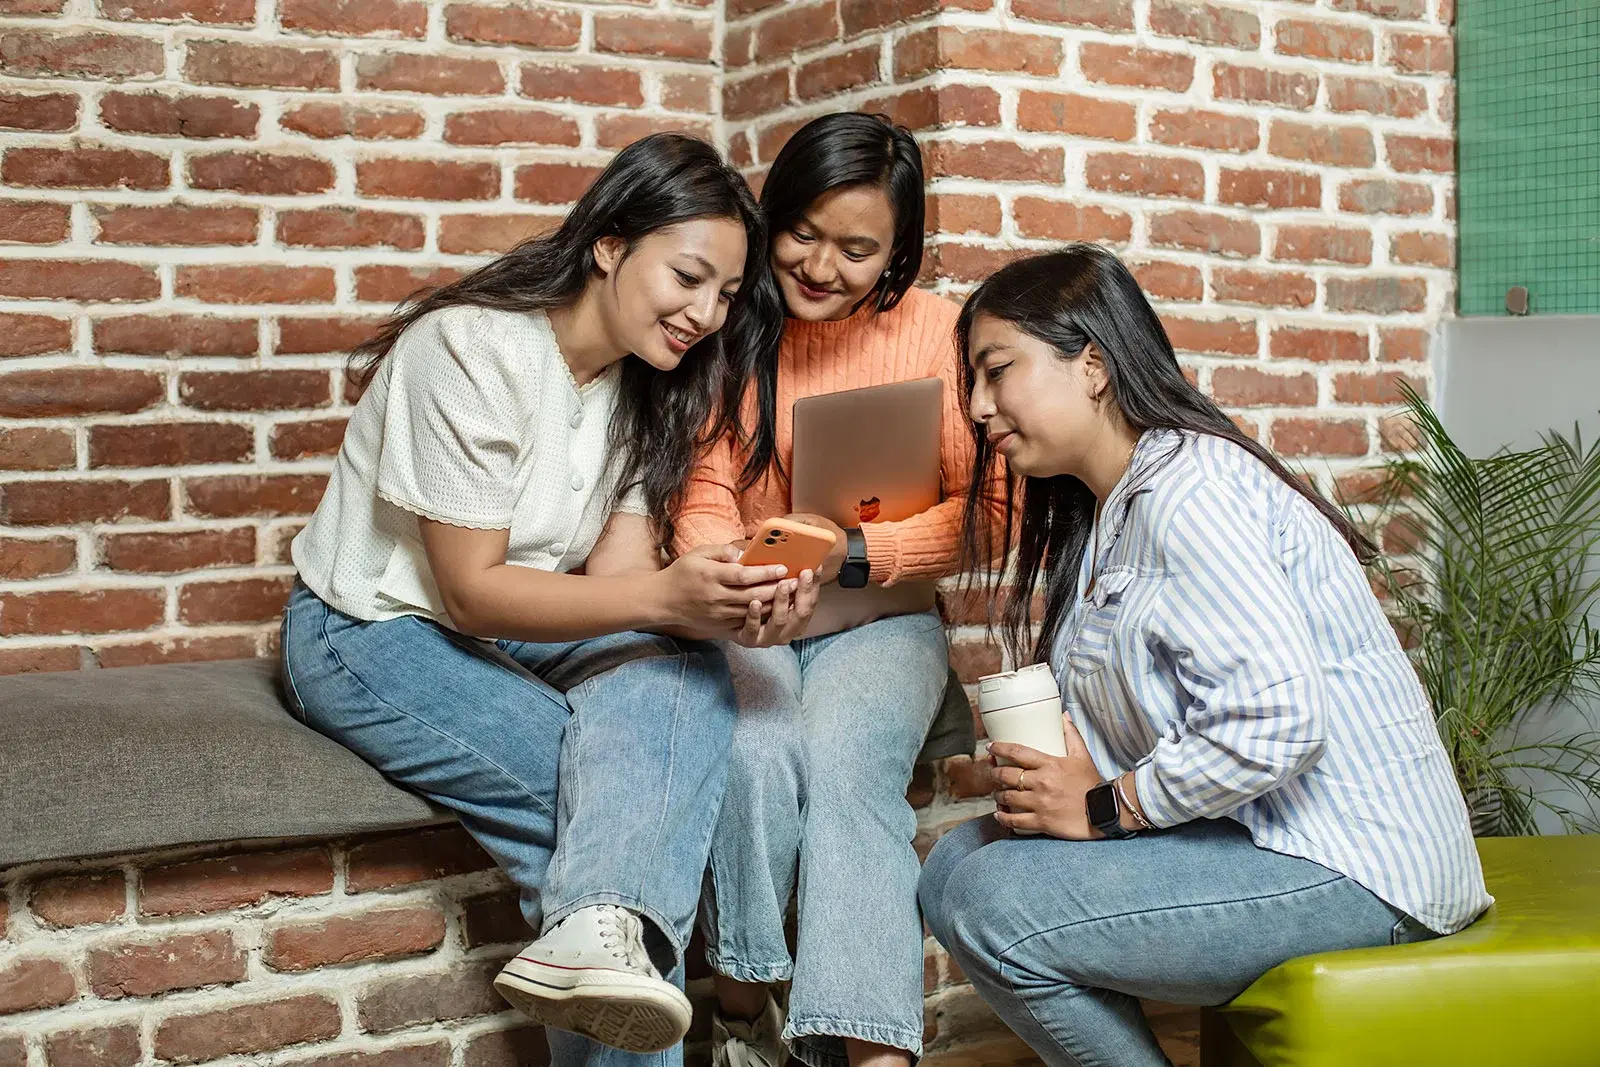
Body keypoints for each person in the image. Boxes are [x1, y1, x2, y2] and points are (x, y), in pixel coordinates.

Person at [278, 134, 808, 1066]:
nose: (704, 314)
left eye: (725, 295)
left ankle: (598, 942)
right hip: (370, 628)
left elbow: (619, 584)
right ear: (609, 243)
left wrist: (713, 601)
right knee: (602, 821)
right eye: (687, 277)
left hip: (506, 625)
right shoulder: (471, 348)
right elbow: (473, 592)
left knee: (686, 673)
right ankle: (616, 953)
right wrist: (664, 596)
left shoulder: (650, 388)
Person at [918, 244, 1492, 1067]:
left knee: (987, 899)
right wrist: (1070, 771)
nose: (976, 405)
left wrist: (1106, 806)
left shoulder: (1192, 493)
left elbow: (1278, 724)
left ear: (1093, 365)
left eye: (996, 370)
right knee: (953, 869)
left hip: (1359, 867)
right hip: (1263, 838)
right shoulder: (1113, 510)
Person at [673, 112, 1006, 1067]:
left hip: (882, 617)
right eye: (804, 234)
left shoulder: (943, 336)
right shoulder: (731, 326)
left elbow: (993, 511)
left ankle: (874, 1056)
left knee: (849, 767)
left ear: (899, 252)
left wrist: (858, 553)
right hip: (752, 610)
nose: (823, 266)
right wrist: (731, 577)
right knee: (755, 747)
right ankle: (743, 1008)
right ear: (772, 216)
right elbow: (699, 482)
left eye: (859, 249)